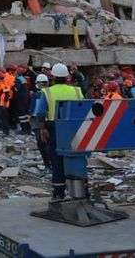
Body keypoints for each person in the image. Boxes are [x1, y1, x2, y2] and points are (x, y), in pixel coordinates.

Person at [34, 63, 84, 199]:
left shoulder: (47, 92)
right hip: (74, 128)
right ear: (67, 76)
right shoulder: (76, 91)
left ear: (53, 77)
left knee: (56, 160)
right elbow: (83, 109)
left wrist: (42, 129)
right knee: (76, 156)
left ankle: (58, 192)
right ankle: (80, 190)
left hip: (54, 128)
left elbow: (40, 113)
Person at [31, 74, 52, 169]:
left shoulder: (44, 94)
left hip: (42, 120)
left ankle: (49, 164)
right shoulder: (38, 94)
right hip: (40, 120)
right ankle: (48, 164)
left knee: (43, 143)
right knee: (43, 143)